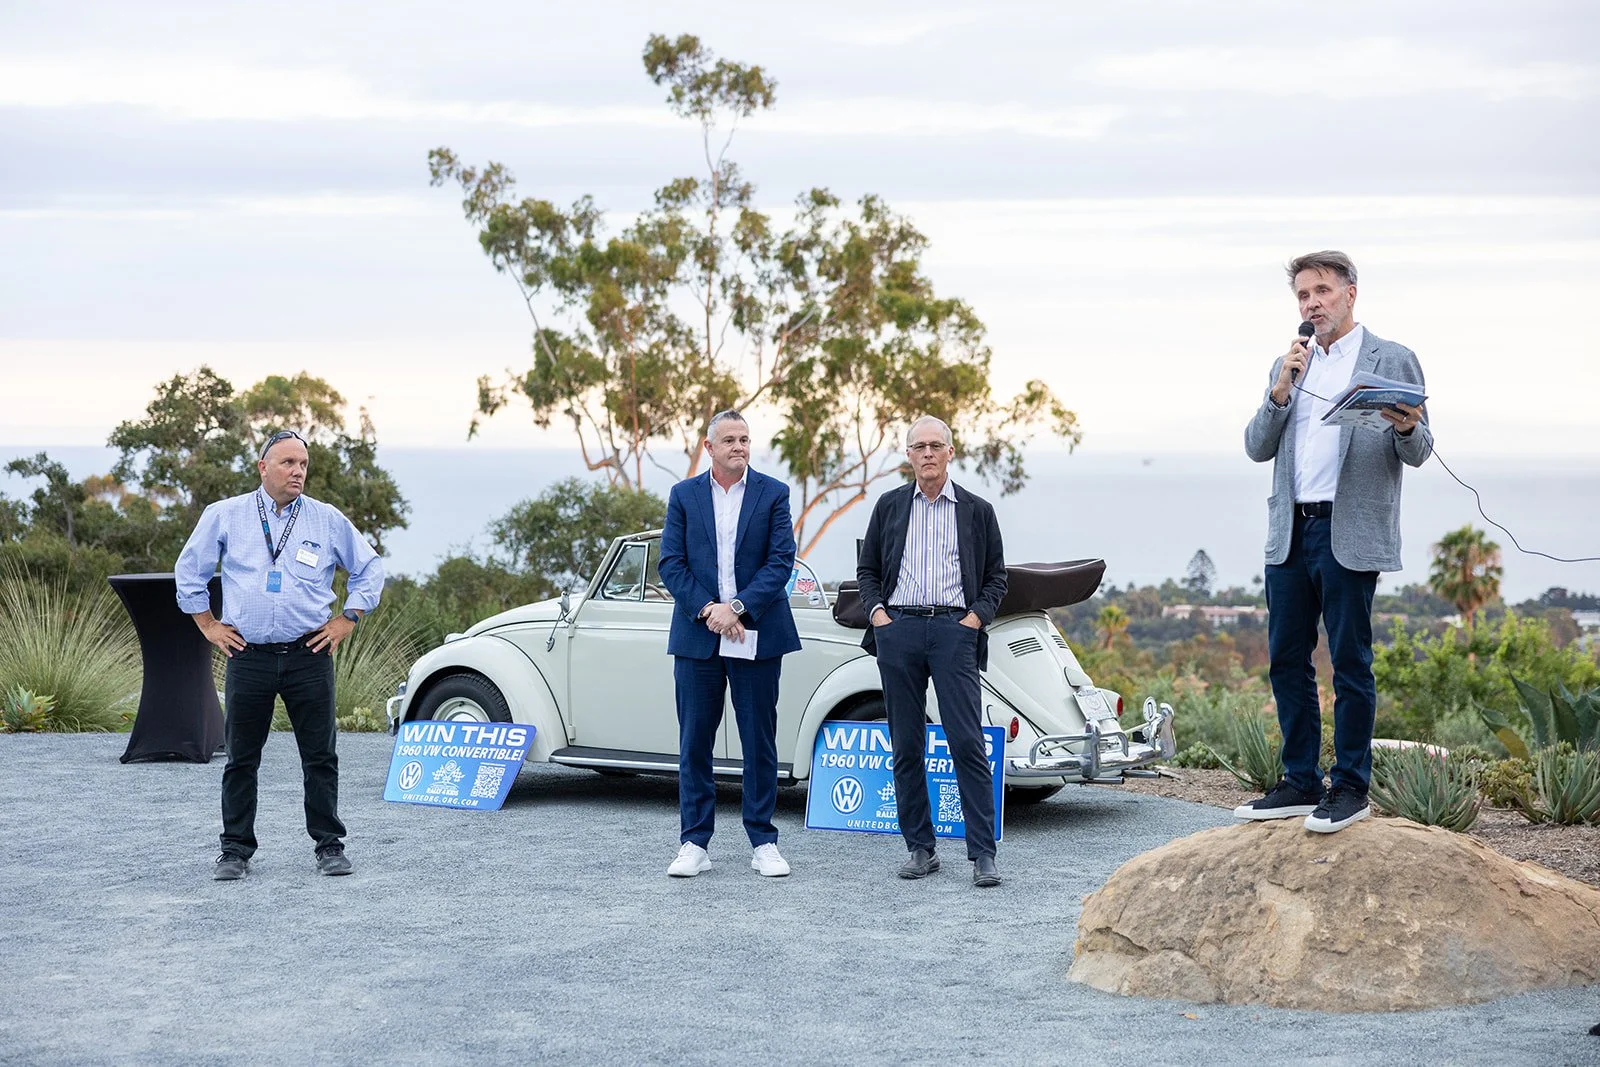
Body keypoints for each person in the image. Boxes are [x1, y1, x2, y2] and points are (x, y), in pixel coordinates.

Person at [1237, 251, 1431, 833]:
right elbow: (1256, 447)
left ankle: (1350, 786)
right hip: (1291, 530)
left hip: (1349, 530)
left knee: (1350, 663)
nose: (1312, 303)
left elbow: (1419, 450)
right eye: (1302, 295)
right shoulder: (1289, 363)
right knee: (1286, 661)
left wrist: (1404, 424)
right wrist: (1279, 390)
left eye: (1322, 290)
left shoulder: (1390, 358)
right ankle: (1300, 780)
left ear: (1351, 293)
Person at [175, 429, 385, 880]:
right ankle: (235, 851)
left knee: (320, 756)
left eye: (303, 464)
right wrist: (209, 625)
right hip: (248, 656)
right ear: (263, 468)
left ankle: (329, 845)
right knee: (242, 759)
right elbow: (189, 571)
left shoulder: (325, 519)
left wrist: (347, 618)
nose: (298, 472)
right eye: (288, 462)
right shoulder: (225, 515)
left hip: (309, 654)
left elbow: (370, 568)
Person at [856, 416, 1008, 887]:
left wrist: (973, 620)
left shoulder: (977, 511)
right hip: (898, 630)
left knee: (966, 741)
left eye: (935, 445)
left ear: (950, 452)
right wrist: (880, 616)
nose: (927, 453)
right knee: (906, 744)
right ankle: (920, 849)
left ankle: (983, 853)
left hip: (953, 631)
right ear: (909, 455)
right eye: (918, 446)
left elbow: (997, 577)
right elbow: (868, 571)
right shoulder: (889, 506)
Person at [657, 409, 802, 879]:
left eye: (744, 439)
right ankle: (694, 842)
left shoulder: (773, 493)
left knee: (758, 740)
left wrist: (736, 608)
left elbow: (781, 562)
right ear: (709, 447)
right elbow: (671, 564)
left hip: (755, 632)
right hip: (698, 635)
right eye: (729, 440)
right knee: (693, 741)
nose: (739, 446)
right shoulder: (683, 495)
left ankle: (763, 841)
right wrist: (709, 610)